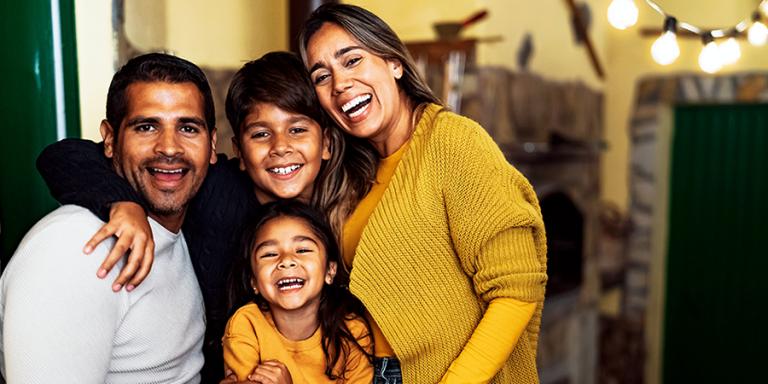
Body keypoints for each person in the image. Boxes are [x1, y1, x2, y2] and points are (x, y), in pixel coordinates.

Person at [34, 51, 377, 382]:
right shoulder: (211, 188)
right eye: (260, 134)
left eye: (297, 129)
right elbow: (65, 155)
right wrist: (121, 201)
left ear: (327, 143)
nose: (280, 147)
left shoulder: (350, 206)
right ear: (237, 150)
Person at [299, 4, 548, 383]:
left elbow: (515, 292)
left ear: (394, 63)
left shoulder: (453, 142)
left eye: (352, 60)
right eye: (322, 75)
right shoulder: (350, 174)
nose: (340, 84)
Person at [0, 52, 214, 382]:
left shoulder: (187, 221)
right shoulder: (72, 249)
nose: (169, 148)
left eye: (188, 128)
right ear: (110, 140)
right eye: (146, 127)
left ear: (212, 145)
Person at [223, 200, 372, 383]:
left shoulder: (353, 331)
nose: (287, 260)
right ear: (253, 281)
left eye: (302, 250)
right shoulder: (247, 324)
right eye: (269, 254)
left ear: (330, 271)